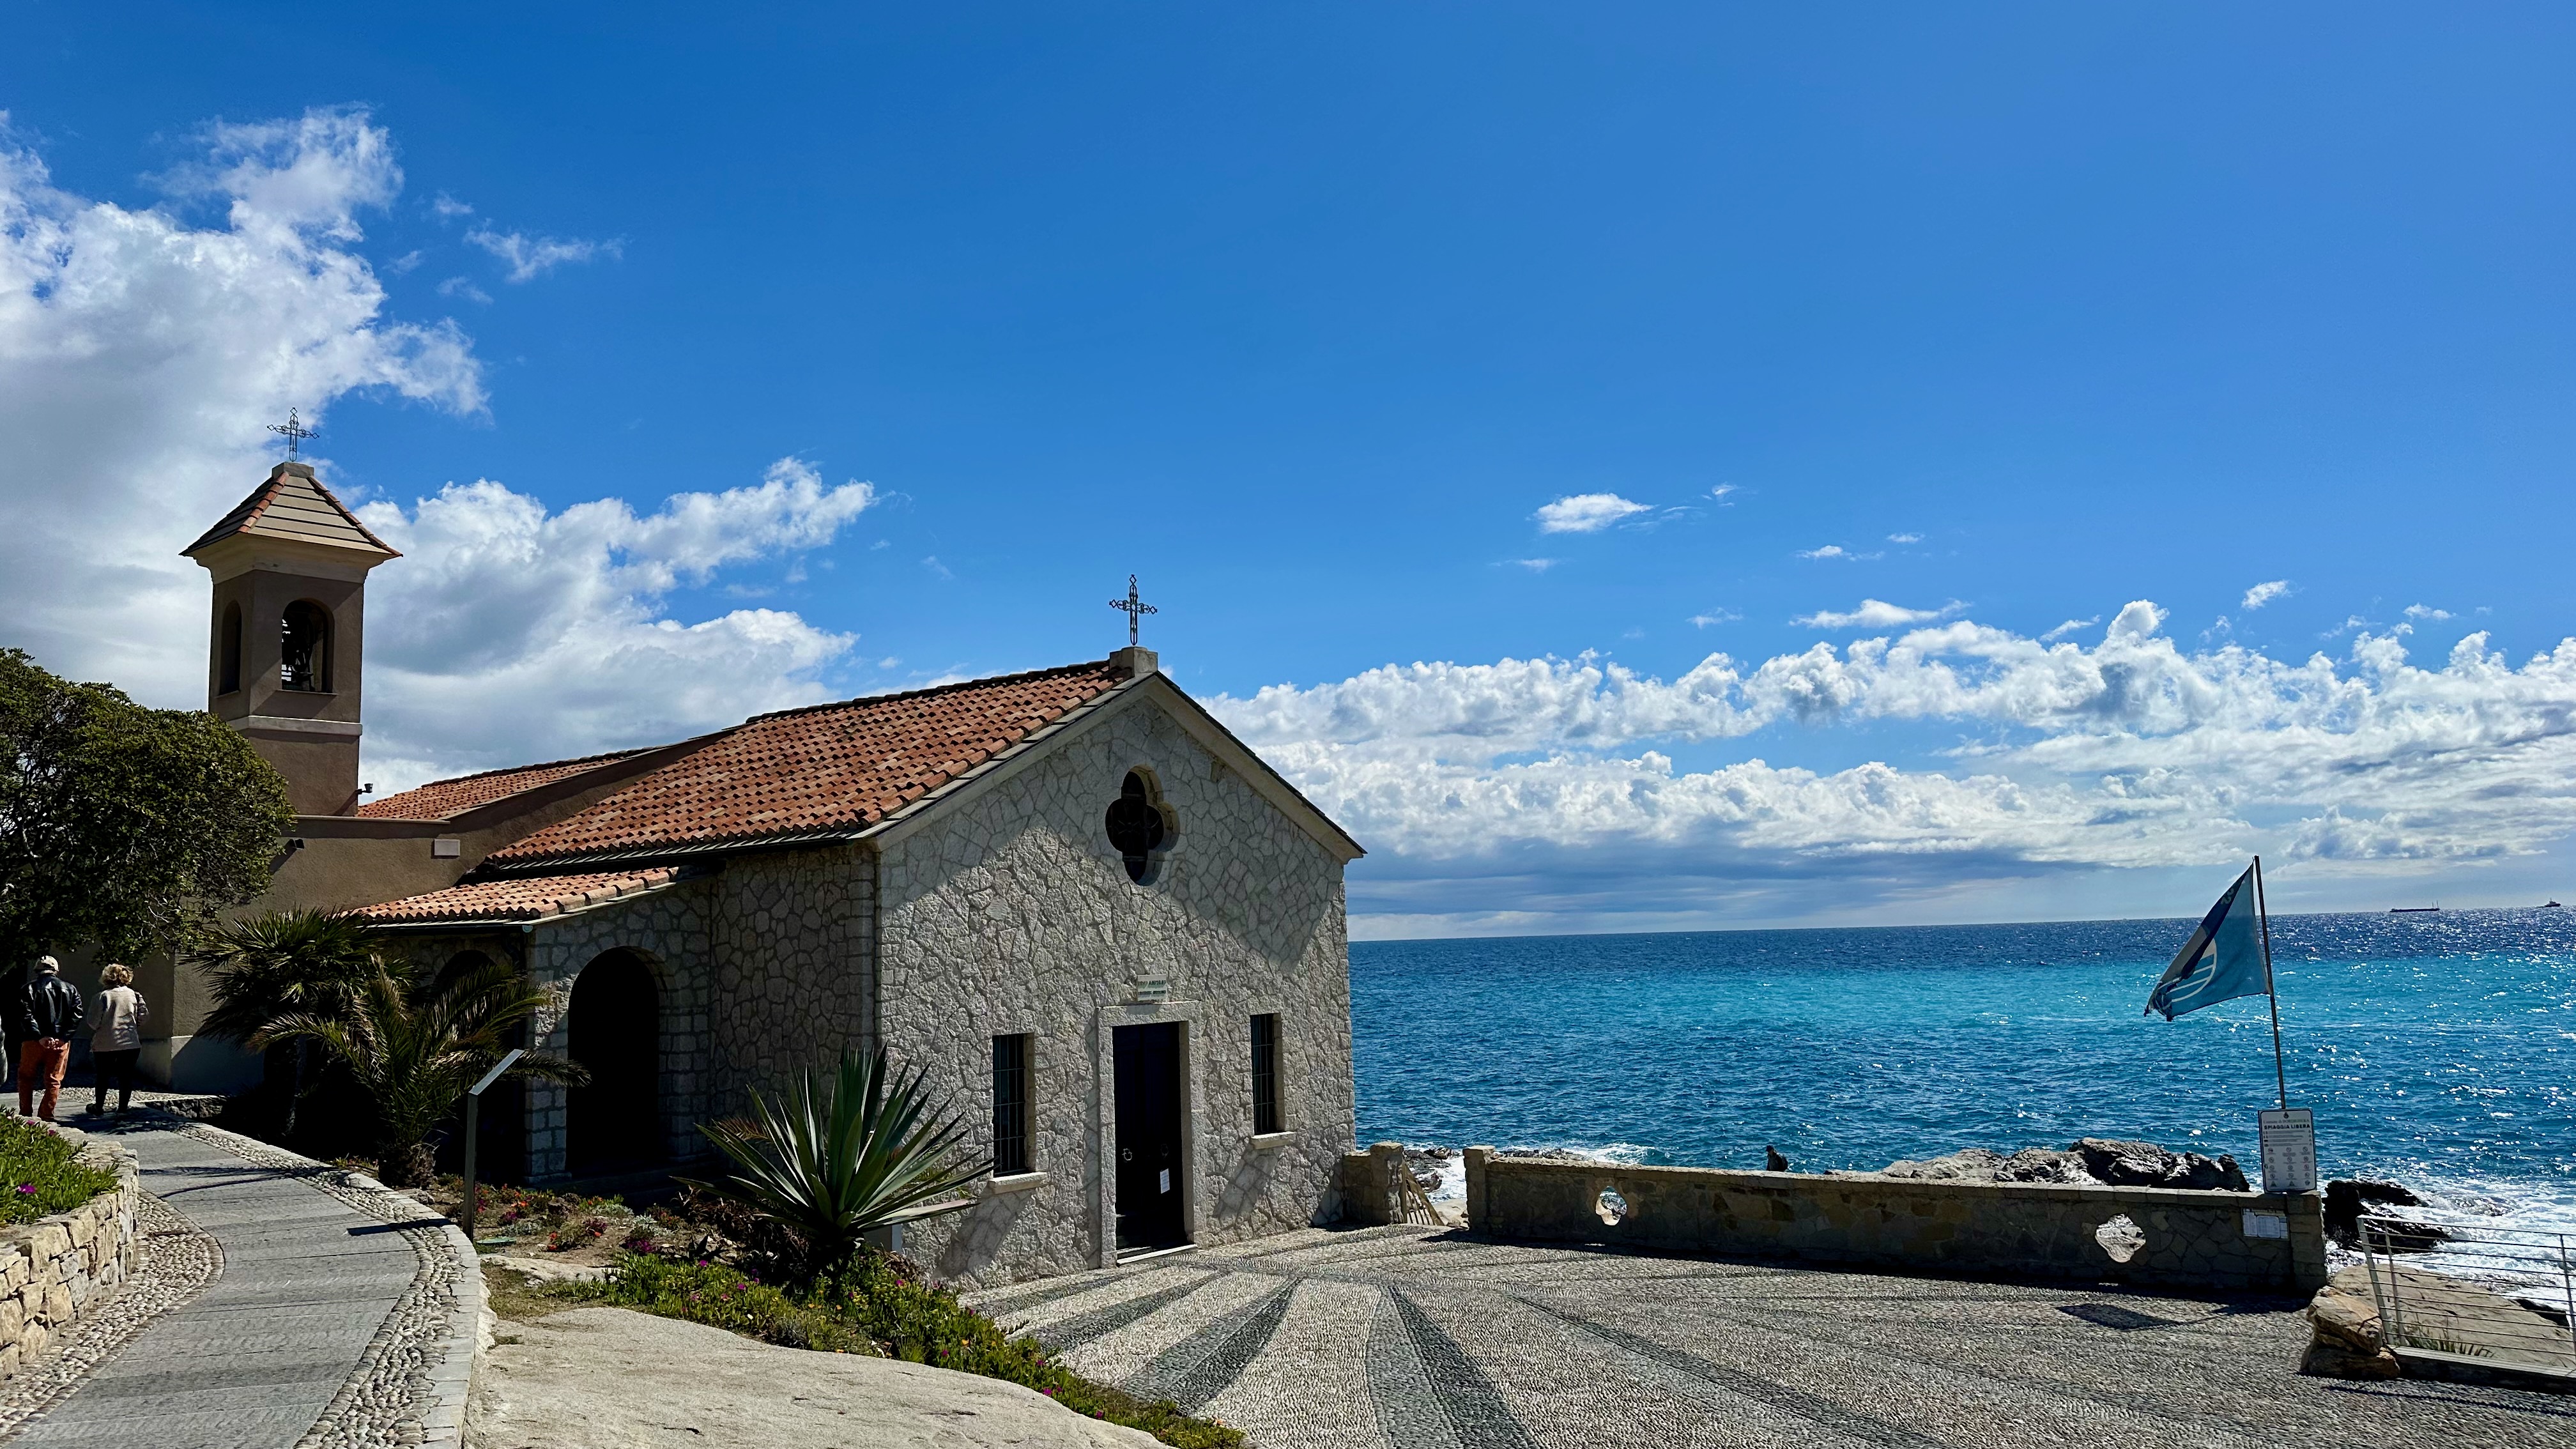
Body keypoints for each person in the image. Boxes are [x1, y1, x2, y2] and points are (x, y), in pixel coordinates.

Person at [16, 956, 86, 1122]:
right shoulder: (70, 989)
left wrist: (39, 1036)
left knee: (26, 1077)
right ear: (56, 970)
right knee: (54, 1080)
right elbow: (76, 1015)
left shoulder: (28, 989)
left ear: (37, 970)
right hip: (60, 1043)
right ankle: (47, 1114)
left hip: (33, 1041)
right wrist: (63, 1038)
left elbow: (26, 1015)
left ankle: (25, 1113)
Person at [89, 963, 148, 1117]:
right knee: (126, 1076)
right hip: (130, 1042)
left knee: (102, 1076)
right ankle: (123, 1107)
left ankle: (99, 1106)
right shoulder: (135, 995)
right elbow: (144, 1016)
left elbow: (93, 1022)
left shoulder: (102, 996)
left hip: (105, 1042)